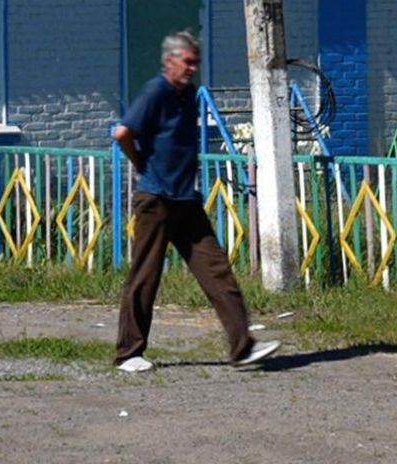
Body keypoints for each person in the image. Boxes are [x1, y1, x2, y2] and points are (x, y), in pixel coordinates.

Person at [111, 31, 279, 373]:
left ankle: (242, 347)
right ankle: (129, 353)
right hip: (156, 199)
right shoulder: (156, 91)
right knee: (145, 276)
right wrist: (139, 161)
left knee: (217, 272)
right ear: (170, 61)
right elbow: (123, 133)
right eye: (187, 62)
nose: (192, 69)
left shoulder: (188, 94)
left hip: (186, 200)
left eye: (195, 63)